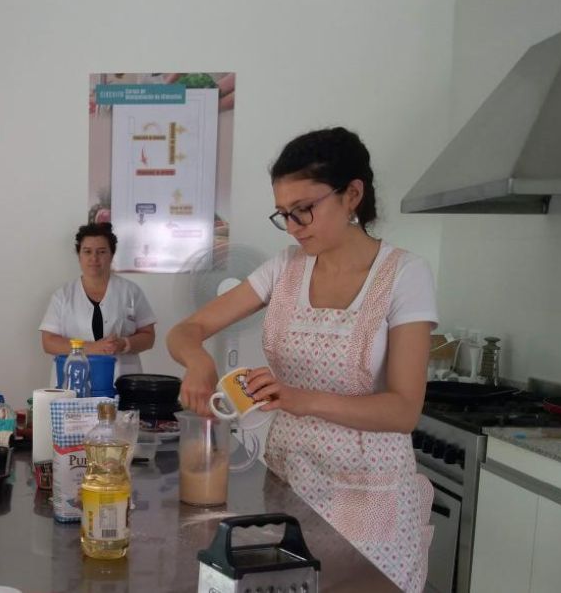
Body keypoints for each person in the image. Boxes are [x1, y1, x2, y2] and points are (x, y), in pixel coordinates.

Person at [167, 128, 436, 592]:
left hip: (369, 496)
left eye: (304, 209)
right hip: (290, 485)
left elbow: (403, 410)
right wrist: (197, 363)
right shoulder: (284, 269)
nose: (293, 226)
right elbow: (185, 331)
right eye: (284, 214)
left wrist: (297, 398)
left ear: (353, 194)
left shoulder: (404, 276)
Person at [39, 222, 157, 378]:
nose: (94, 258)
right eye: (87, 252)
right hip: (73, 381)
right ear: (79, 255)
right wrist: (92, 348)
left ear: (112, 255)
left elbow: (148, 336)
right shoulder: (63, 295)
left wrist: (124, 344)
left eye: (101, 252)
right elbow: (49, 342)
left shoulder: (131, 291)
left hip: (121, 380)